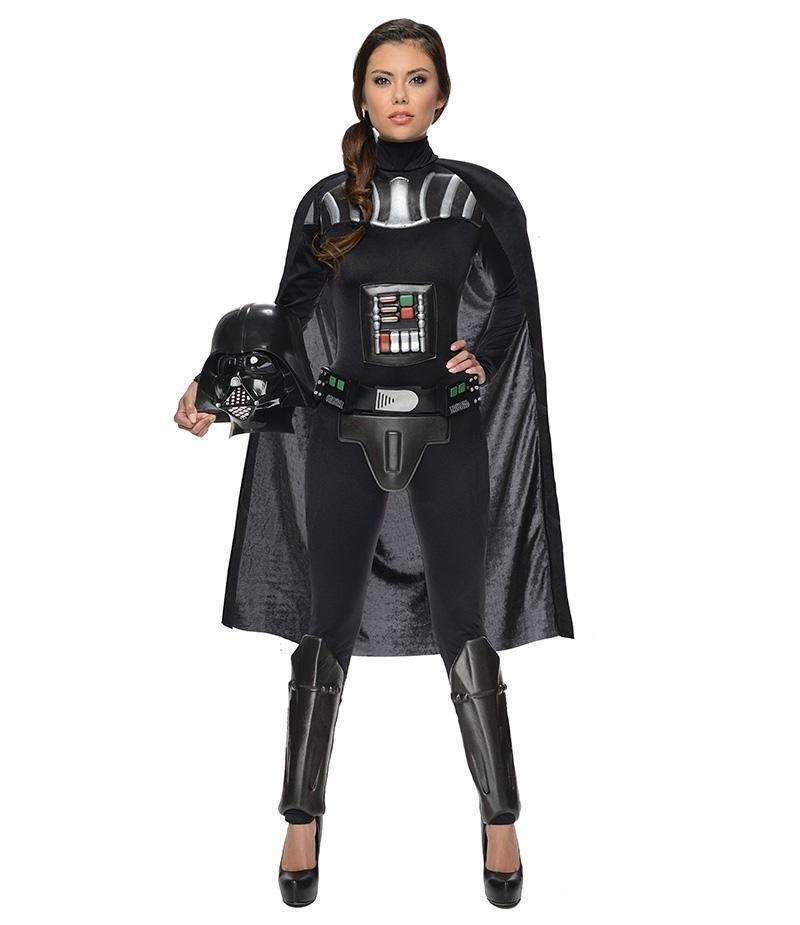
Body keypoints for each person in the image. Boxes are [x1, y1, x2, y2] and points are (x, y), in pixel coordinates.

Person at [175, 18, 574, 909]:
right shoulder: (328, 203)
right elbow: (286, 314)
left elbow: (517, 297)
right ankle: (300, 815)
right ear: (361, 93)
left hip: (449, 430)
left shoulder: (475, 196)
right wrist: (214, 380)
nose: (400, 95)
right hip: (342, 427)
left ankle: (501, 814)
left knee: (465, 621)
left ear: (442, 94)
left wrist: (484, 355)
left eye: (417, 78)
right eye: (384, 79)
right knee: (327, 621)